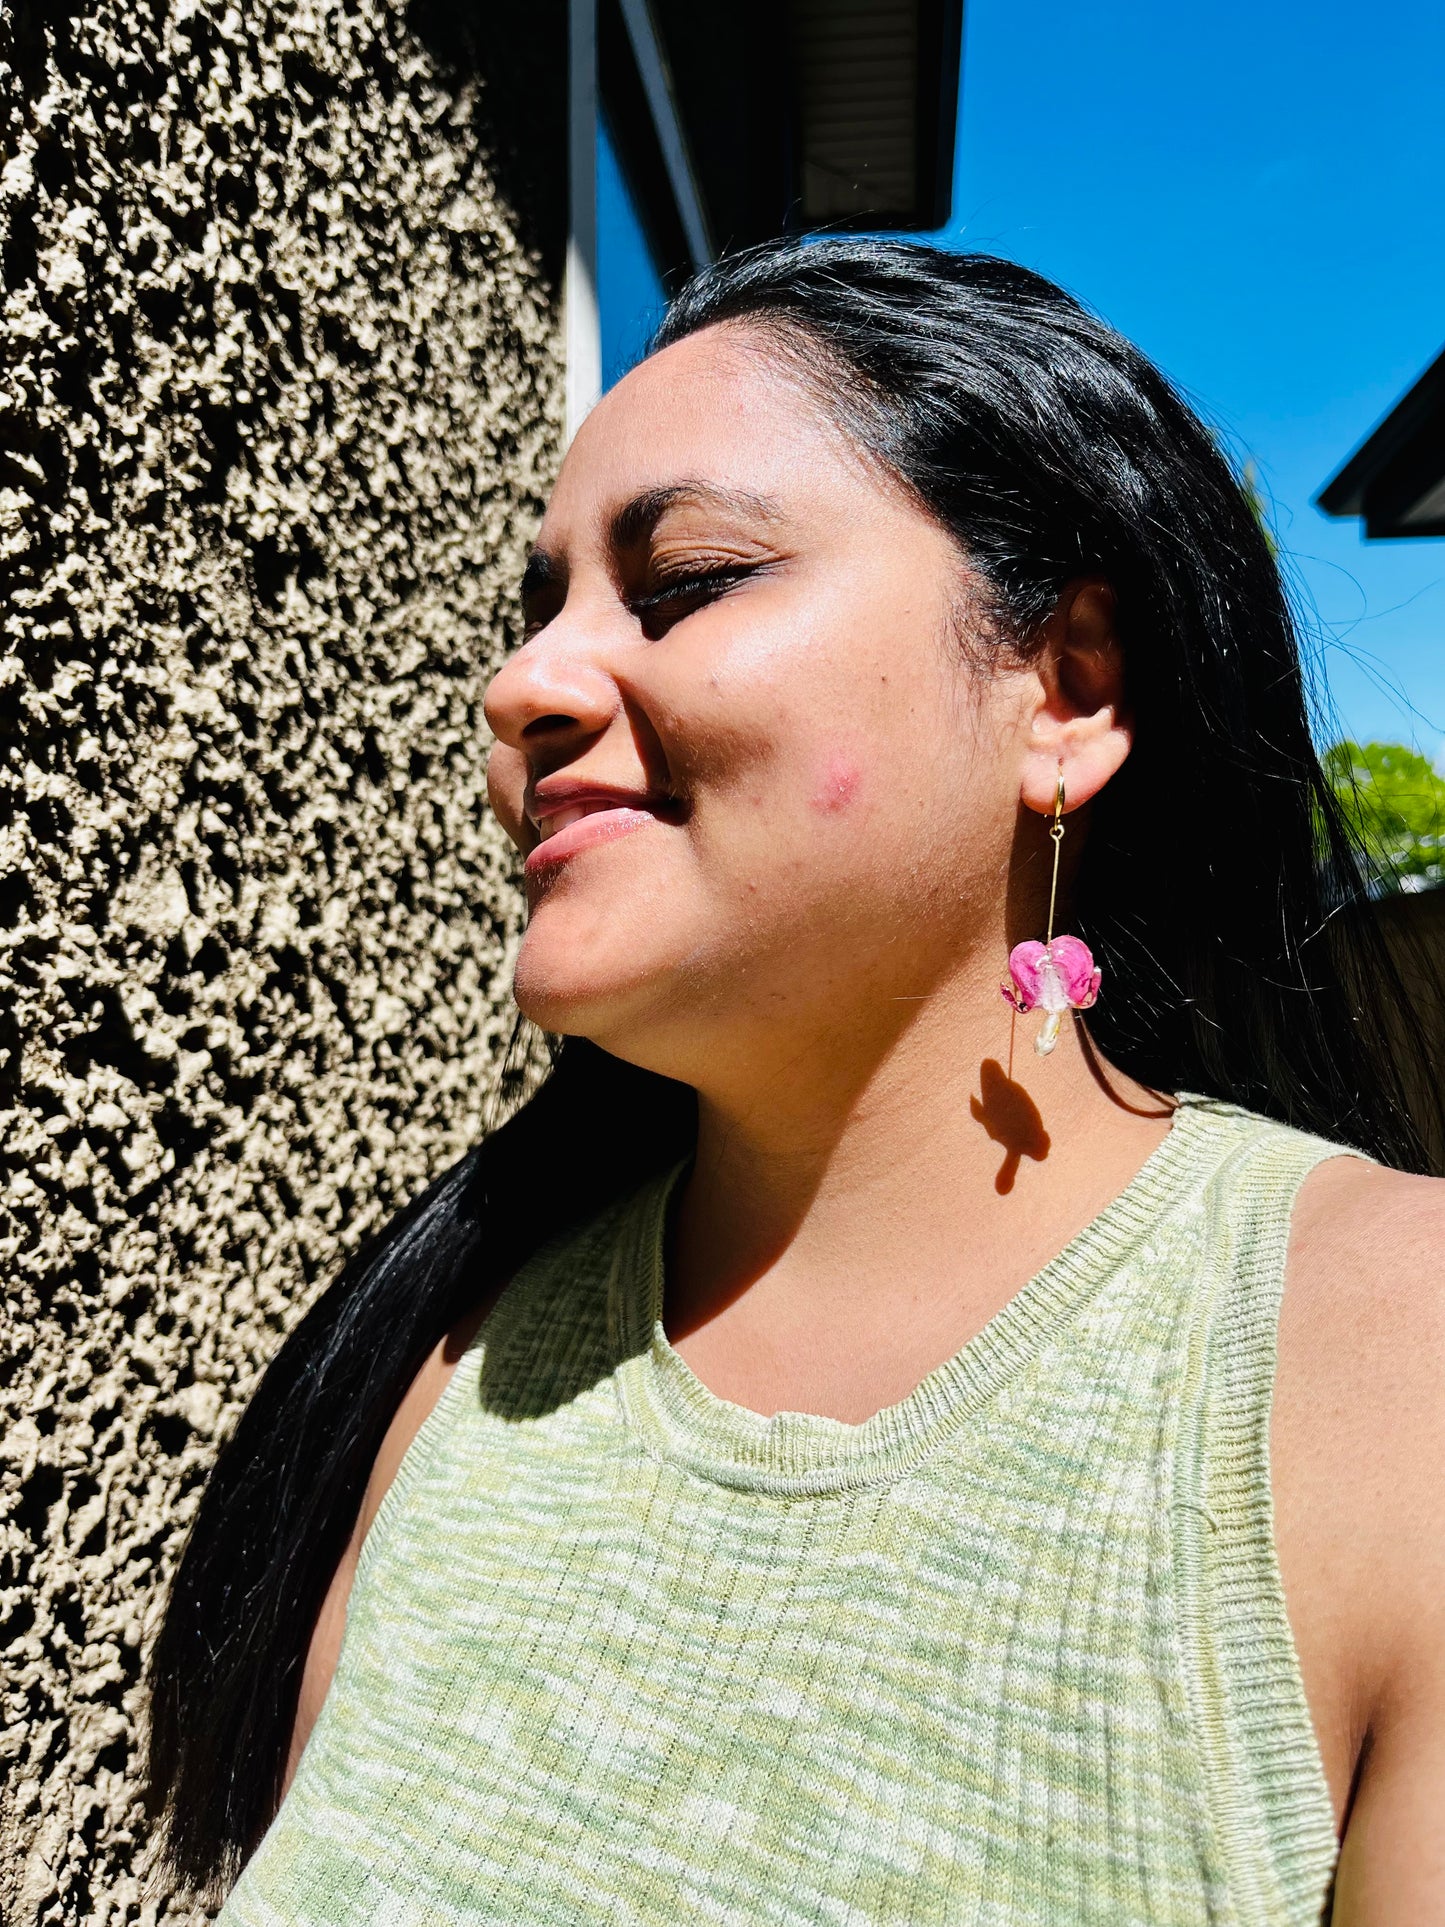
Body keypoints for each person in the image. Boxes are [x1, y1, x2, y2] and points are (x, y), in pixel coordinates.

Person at [148, 241, 1445, 1924]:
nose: (522, 683)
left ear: (1061, 690)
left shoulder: (1382, 1372)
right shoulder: (456, 1363)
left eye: (681, 581)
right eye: (539, 610)